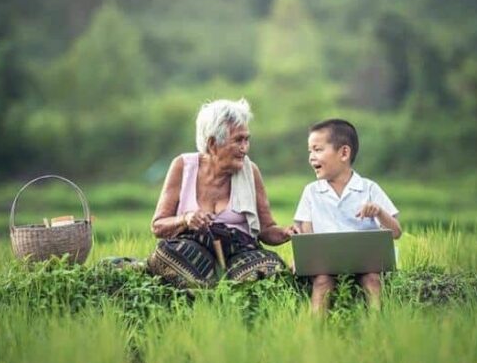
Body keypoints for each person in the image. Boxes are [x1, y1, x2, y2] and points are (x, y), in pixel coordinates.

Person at [147, 98, 296, 287]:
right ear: (212, 143)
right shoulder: (183, 167)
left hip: (239, 252)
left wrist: (285, 232)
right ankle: (213, 289)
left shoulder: (251, 172)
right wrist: (185, 219)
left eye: (246, 139)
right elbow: (158, 226)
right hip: (194, 250)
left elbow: (266, 230)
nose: (245, 148)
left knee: (270, 266)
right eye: (238, 140)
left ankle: (213, 287)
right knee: (167, 254)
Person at [293, 119, 402, 314]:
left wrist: (379, 212)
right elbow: (305, 230)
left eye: (317, 150)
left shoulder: (369, 188)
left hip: (366, 262)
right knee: (322, 282)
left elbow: (396, 232)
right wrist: (302, 256)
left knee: (372, 280)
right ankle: (313, 332)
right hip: (326, 263)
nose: (311, 157)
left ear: (344, 153)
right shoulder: (311, 192)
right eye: (310, 151)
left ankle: (377, 327)